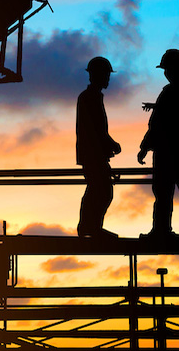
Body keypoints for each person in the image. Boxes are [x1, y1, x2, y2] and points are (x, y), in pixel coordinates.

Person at [137, 49, 179, 242]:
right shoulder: (169, 92)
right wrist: (145, 146)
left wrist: (147, 145)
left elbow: (174, 119)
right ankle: (161, 230)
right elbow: (156, 123)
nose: (167, 73)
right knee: (164, 195)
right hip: (167, 155)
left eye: (168, 69)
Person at [76, 56, 122, 239]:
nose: (108, 79)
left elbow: (96, 129)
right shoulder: (89, 98)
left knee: (98, 189)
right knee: (101, 190)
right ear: (97, 75)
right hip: (92, 155)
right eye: (106, 75)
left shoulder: (92, 97)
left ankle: (90, 226)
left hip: (94, 154)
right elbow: (94, 129)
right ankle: (90, 227)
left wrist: (107, 145)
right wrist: (111, 144)